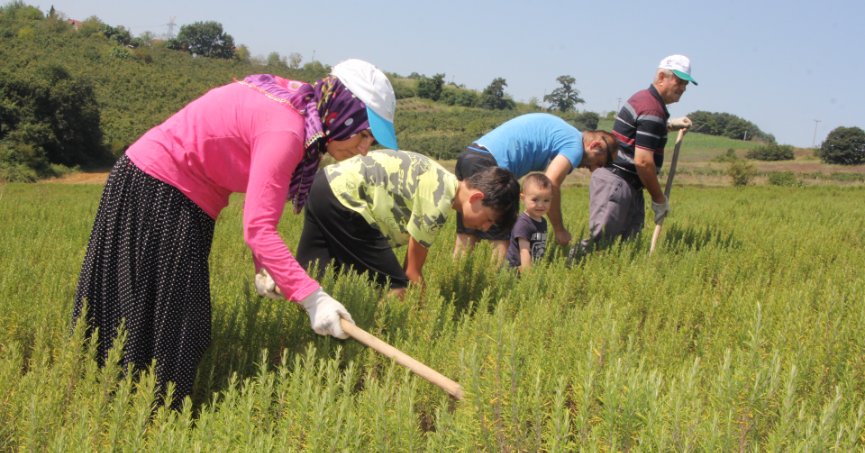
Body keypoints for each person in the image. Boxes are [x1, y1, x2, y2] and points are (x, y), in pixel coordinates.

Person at [73, 58, 398, 407]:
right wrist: (312, 298)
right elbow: (258, 228)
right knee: (175, 324)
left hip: (168, 190)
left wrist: (265, 268)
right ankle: (147, 416)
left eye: (372, 141)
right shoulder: (287, 130)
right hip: (160, 188)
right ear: (342, 111)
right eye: (363, 133)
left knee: (152, 313)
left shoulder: (298, 110)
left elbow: (260, 215)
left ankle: (121, 402)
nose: (364, 148)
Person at [294, 149, 520, 297]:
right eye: (489, 219)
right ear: (476, 198)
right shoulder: (439, 200)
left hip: (324, 184)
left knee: (309, 278)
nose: (487, 228)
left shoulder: (440, 178)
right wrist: (424, 313)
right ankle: (387, 341)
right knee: (397, 287)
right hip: (346, 200)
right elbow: (412, 272)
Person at [573, 55, 695, 258]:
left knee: (625, 248)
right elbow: (643, 161)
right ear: (661, 76)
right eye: (679, 81)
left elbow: (638, 133)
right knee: (601, 243)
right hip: (618, 183)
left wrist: (669, 125)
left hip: (627, 185)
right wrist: (658, 198)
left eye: (686, 83)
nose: (683, 88)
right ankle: (573, 271)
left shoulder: (647, 101)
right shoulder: (652, 109)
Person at [451, 113, 617, 258]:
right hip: (489, 165)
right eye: (599, 163)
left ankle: (459, 274)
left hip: (471, 155)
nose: (593, 169)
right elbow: (550, 182)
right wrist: (559, 229)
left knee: (467, 230)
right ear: (595, 146)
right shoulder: (575, 145)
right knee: (501, 233)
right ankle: (499, 284)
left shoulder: (566, 133)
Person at [506, 173, 552, 272]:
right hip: (517, 270)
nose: (541, 205)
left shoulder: (542, 221)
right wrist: (528, 275)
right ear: (523, 198)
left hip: (532, 267)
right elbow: (524, 251)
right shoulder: (523, 223)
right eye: (535, 200)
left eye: (546, 200)